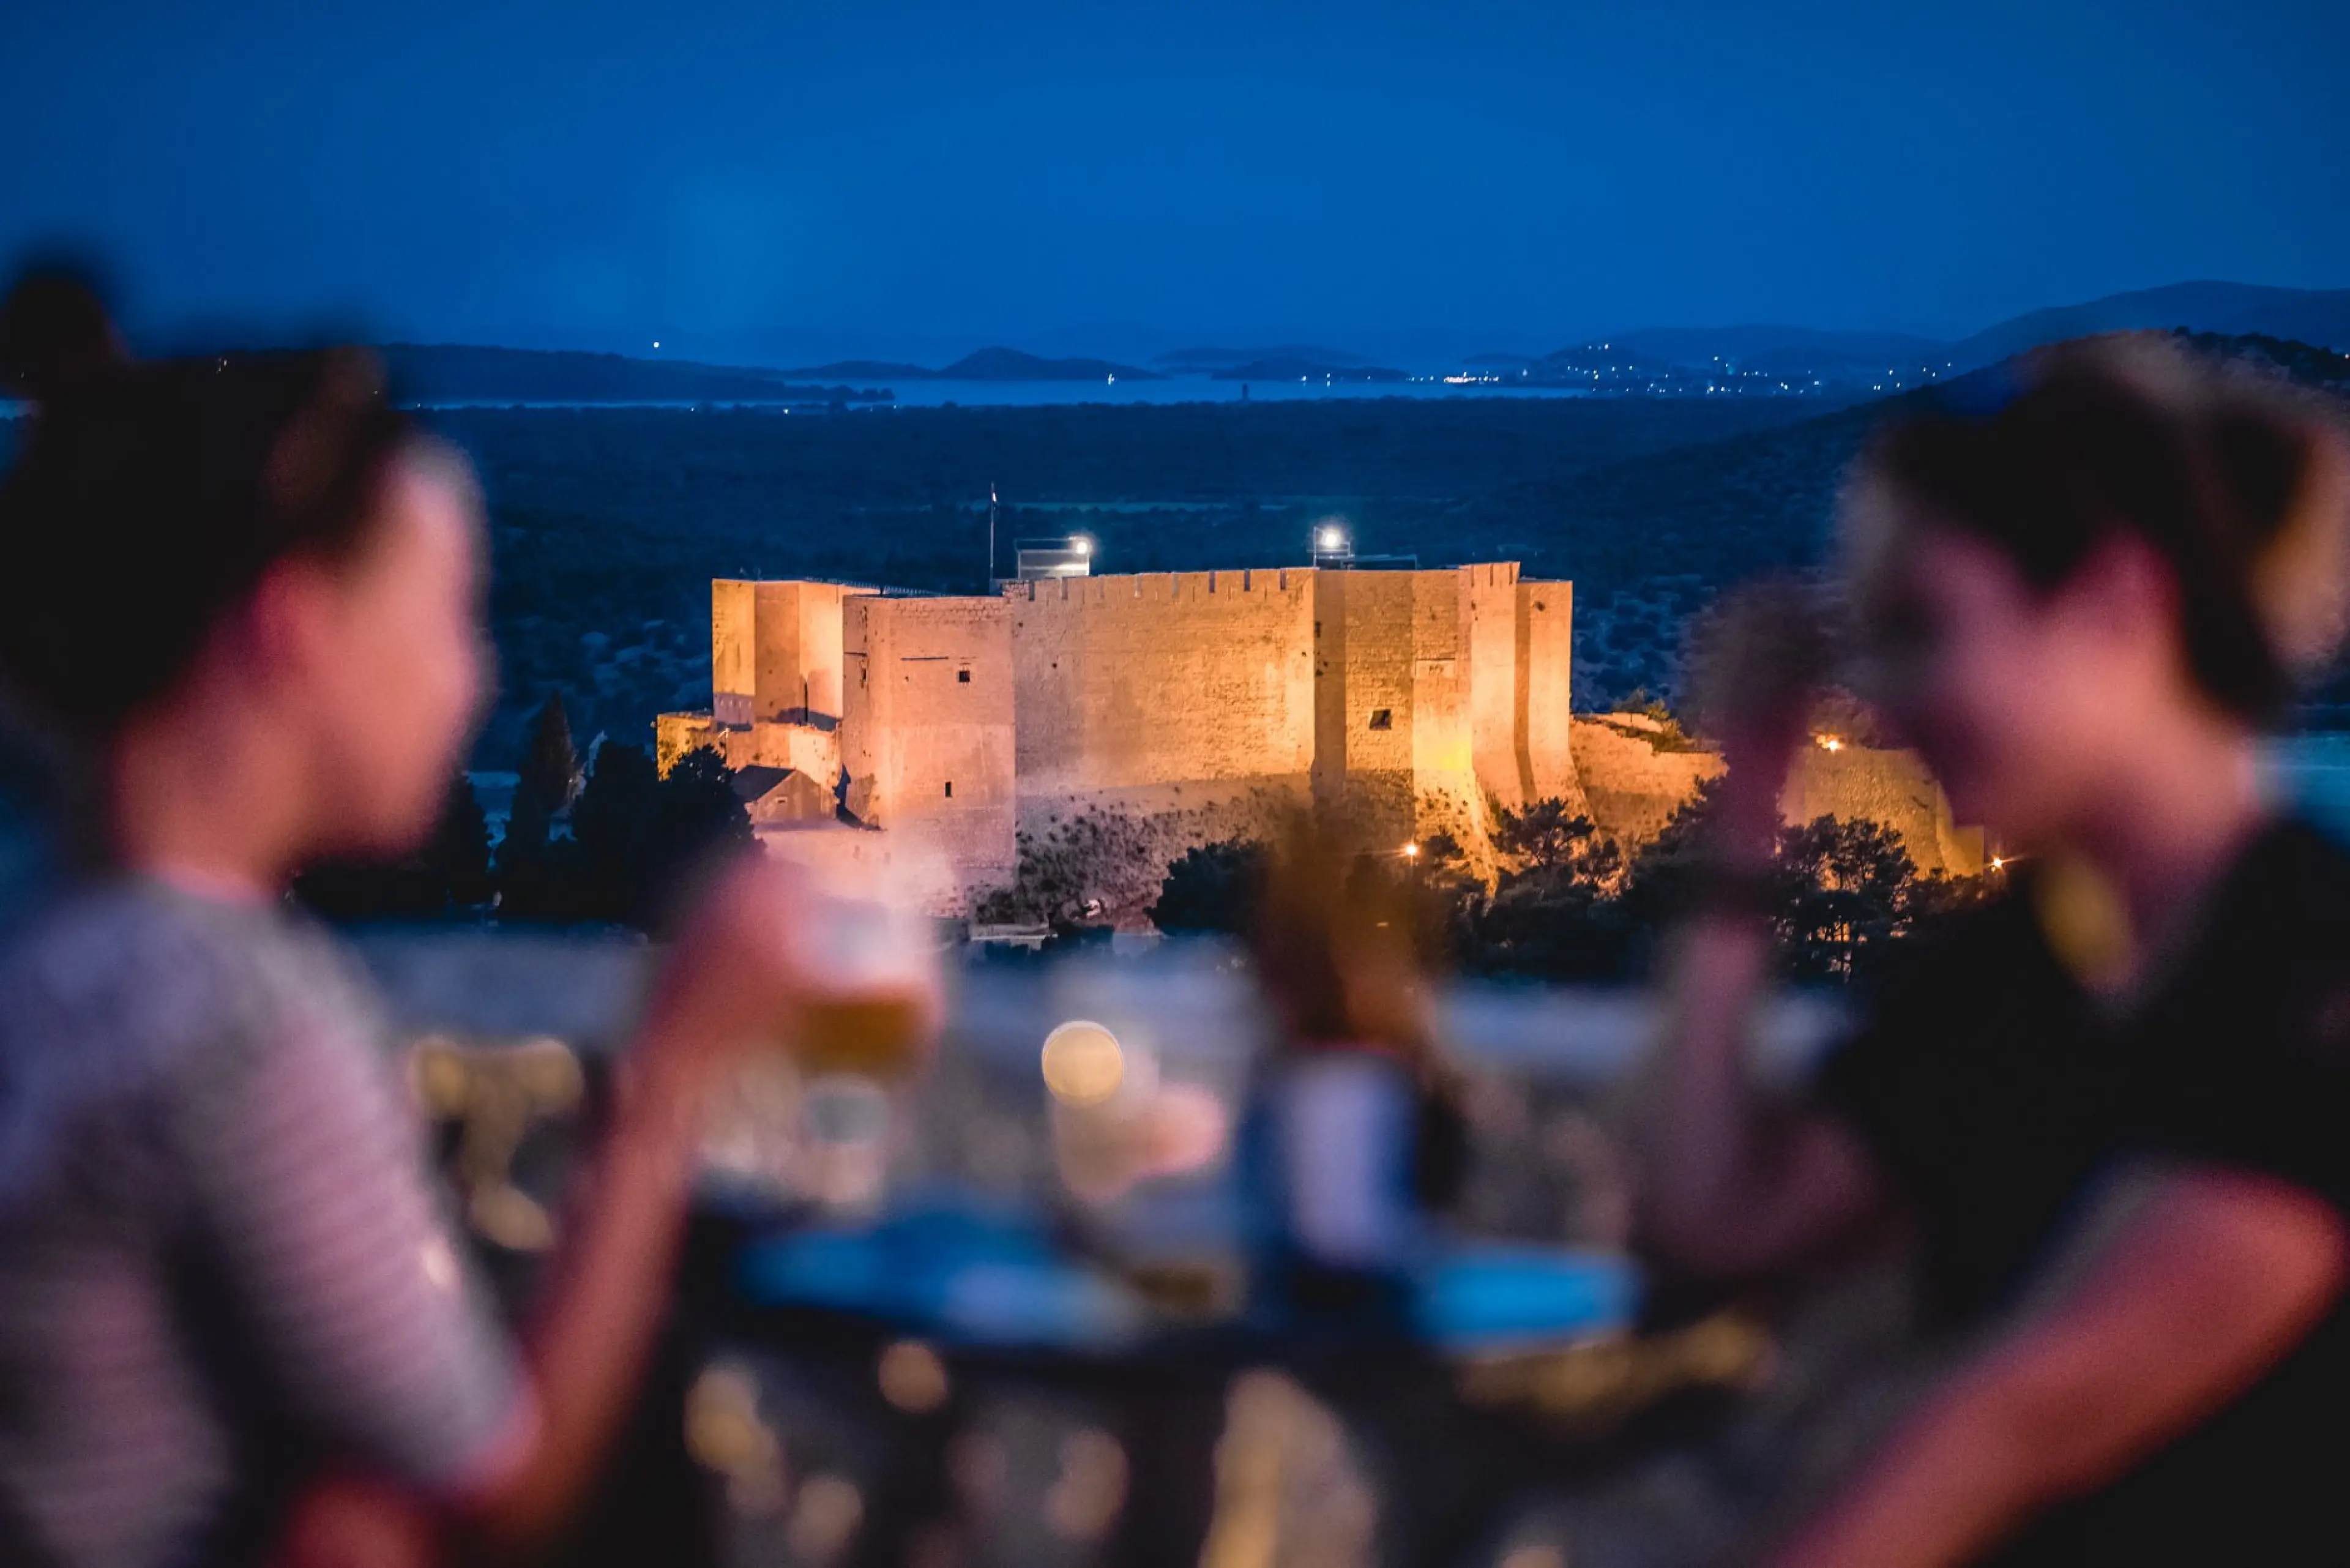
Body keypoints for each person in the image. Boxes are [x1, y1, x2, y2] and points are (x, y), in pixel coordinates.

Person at [0, 272, 820, 1567]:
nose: (474, 680)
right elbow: (503, 1483)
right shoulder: (235, 1026)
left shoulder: (47, 927)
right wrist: (675, 1070)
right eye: (444, 620)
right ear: (294, 629)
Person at [1635, 335, 2350, 1564]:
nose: (1883, 705)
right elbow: (1715, 1222)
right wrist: (1744, 820)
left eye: (1922, 628)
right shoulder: (2027, 971)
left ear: (2118, 600)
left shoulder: (2310, 986)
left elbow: (2010, 1422)